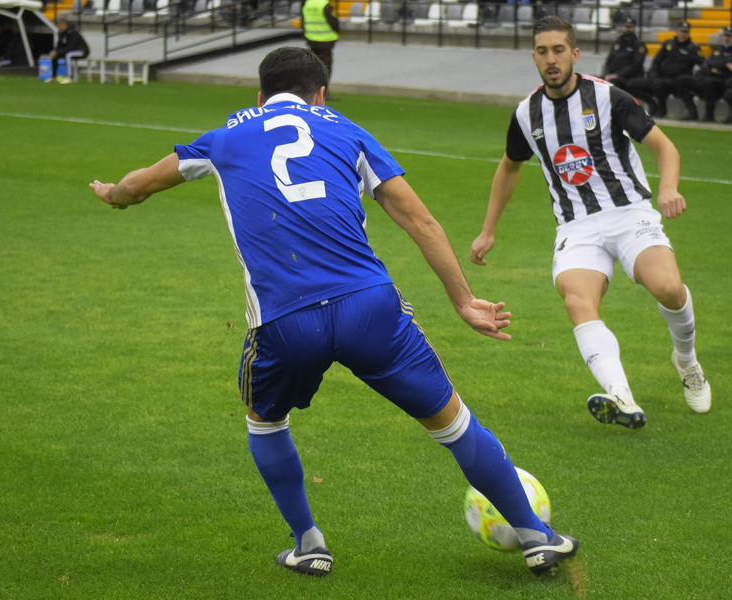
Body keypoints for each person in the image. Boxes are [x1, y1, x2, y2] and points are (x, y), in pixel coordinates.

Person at [88, 46, 579, 577]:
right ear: (320, 94)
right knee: (454, 422)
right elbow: (422, 221)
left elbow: (137, 186)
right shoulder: (346, 130)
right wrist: (463, 300)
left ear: (259, 95)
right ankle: (535, 534)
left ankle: (309, 543)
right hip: (369, 307)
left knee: (265, 420)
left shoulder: (223, 139)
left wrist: (112, 193)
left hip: (284, 320)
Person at [471, 16, 713, 430]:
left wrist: (669, 188)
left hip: (629, 212)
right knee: (577, 301)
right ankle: (621, 396)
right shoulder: (527, 113)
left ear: (575, 54)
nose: (551, 59)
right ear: (534, 57)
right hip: (576, 226)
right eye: (543, 51)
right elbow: (510, 167)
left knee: (670, 289)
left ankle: (687, 362)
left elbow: (664, 147)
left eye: (559, 50)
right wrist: (488, 228)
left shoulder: (608, 98)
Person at [625, 20, 702, 119]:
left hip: (677, 81)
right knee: (632, 84)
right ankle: (652, 104)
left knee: (659, 85)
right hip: (661, 77)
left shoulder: (693, 48)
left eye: (685, 32)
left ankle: (662, 109)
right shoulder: (668, 45)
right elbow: (656, 62)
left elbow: (703, 63)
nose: (683, 34)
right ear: (676, 32)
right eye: (681, 31)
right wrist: (654, 76)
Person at [672, 26, 732, 122]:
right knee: (681, 80)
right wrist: (715, 68)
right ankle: (692, 111)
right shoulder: (718, 50)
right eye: (726, 35)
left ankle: (709, 113)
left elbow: (731, 62)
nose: (727, 38)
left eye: (730, 36)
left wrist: (717, 65)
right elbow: (706, 63)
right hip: (710, 77)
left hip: (725, 81)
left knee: (708, 82)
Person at [301, 0, 338, 95]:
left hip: (312, 39)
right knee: (325, 67)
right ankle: (324, 92)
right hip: (325, 41)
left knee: (313, 67)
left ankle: (311, 91)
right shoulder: (324, 4)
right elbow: (333, 21)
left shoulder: (308, 3)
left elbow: (303, 21)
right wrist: (337, 32)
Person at [601, 16, 647, 91]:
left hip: (629, 77)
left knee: (613, 83)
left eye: (630, 27)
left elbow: (636, 65)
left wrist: (617, 75)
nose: (628, 29)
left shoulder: (639, 45)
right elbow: (609, 61)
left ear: (634, 28)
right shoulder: (618, 42)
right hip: (613, 75)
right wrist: (605, 74)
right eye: (626, 26)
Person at [46, 18, 89, 83]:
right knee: (55, 56)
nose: (61, 27)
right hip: (71, 51)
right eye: (60, 25)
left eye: (63, 25)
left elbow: (71, 47)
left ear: (67, 25)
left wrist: (58, 52)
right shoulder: (61, 34)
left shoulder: (73, 33)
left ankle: (69, 77)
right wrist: (55, 51)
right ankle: (53, 77)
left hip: (82, 51)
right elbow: (59, 45)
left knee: (68, 55)